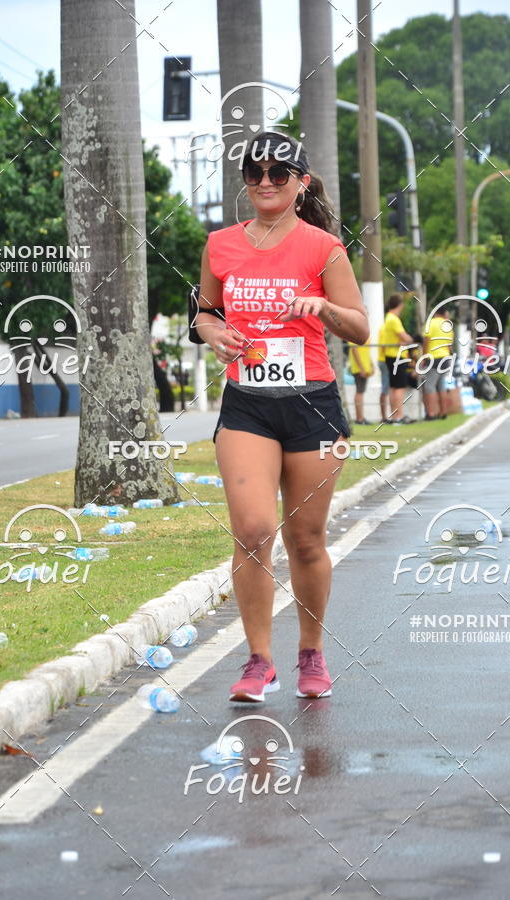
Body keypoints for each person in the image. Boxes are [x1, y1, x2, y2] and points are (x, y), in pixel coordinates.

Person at [194, 131, 369, 703]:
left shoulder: (324, 248)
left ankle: (311, 652)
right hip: (247, 405)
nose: (265, 181)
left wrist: (325, 307)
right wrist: (216, 333)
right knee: (251, 532)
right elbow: (206, 313)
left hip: (312, 404)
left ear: (302, 183)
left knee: (306, 538)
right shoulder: (220, 244)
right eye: (254, 172)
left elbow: (360, 327)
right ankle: (258, 660)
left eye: (278, 172)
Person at [381, 293, 414, 423]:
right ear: (400, 305)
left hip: (390, 355)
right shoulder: (393, 319)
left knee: (393, 387)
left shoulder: (387, 318)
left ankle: (395, 415)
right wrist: (408, 340)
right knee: (400, 387)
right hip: (397, 356)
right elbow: (407, 338)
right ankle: (398, 416)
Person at [422, 308, 454, 420]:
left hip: (433, 357)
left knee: (429, 387)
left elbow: (426, 341)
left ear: (435, 313)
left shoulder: (431, 323)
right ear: (445, 313)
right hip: (445, 358)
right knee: (442, 386)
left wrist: (424, 356)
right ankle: (443, 412)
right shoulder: (447, 325)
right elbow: (450, 345)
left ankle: (431, 413)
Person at [348, 340, 373, 424]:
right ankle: (360, 418)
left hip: (365, 368)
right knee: (359, 392)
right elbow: (354, 349)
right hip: (359, 368)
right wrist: (361, 368)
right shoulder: (354, 333)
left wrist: (371, 365)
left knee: (361, 392)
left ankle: (360, 417)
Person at [377, 321, 391, 423]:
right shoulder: (385, 328)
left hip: (384, 360)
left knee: (387, 389)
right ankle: (384, 417)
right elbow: (384, 346)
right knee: (385, 389)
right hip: (385, 360)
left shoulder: (383, 328)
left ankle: (385, 416)